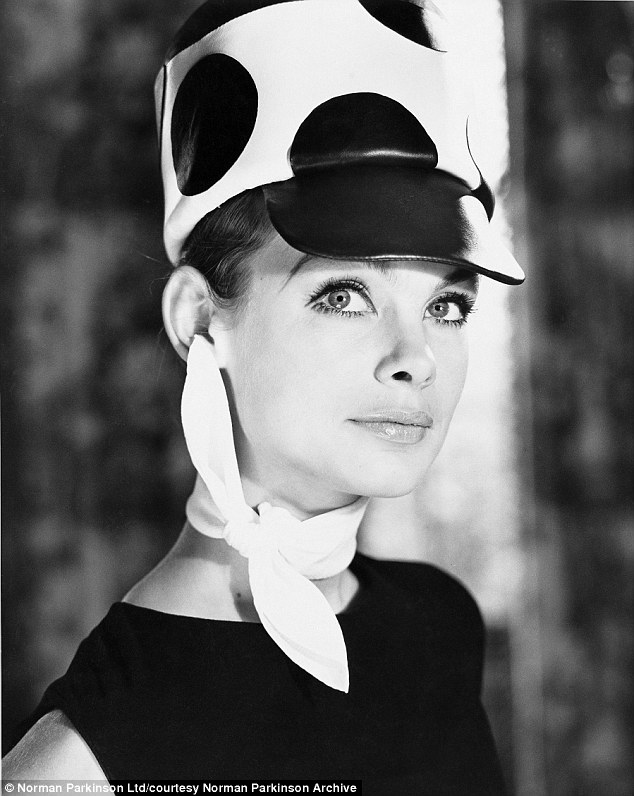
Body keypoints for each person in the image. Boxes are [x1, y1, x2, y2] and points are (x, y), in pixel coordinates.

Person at [4, 0, 524, 791]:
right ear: (198, 318)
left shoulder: (438, 625)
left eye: (446, 305)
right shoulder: (79, 762)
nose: (414, 358)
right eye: (343, 295)